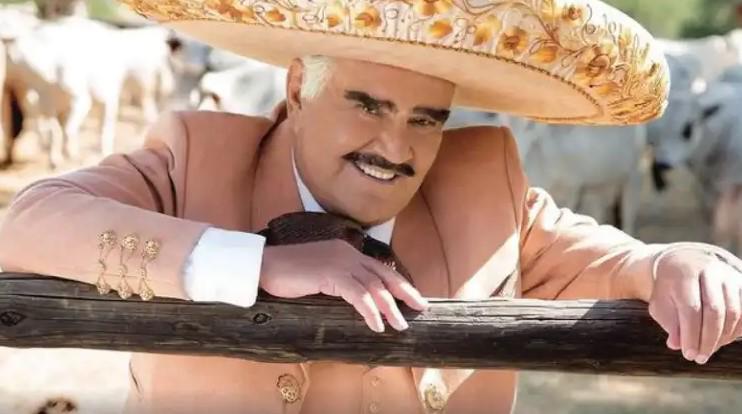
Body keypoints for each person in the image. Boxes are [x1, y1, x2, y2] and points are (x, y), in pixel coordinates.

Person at [1, 0, 741, 413]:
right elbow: (28, 222)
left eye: (426, 119)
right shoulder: (195, 158)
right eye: (367, 104)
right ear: (298, 89)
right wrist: (253, 263)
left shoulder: (487, 188)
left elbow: (622, 261)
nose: (396, 145)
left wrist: (682, 261)